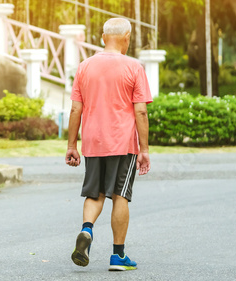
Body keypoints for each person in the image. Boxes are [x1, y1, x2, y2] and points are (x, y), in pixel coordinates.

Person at [66, 18, 152, 271]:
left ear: (103, 37)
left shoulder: (84, 67)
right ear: (127, 37)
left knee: (95, 193)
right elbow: (141, 113)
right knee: (119, 194)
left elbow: (75, 109)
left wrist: (72, 145)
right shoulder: (134, 67)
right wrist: (144, 150)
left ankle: (87, 230)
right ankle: (118, 256)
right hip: (122, 143)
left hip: (93, 142)